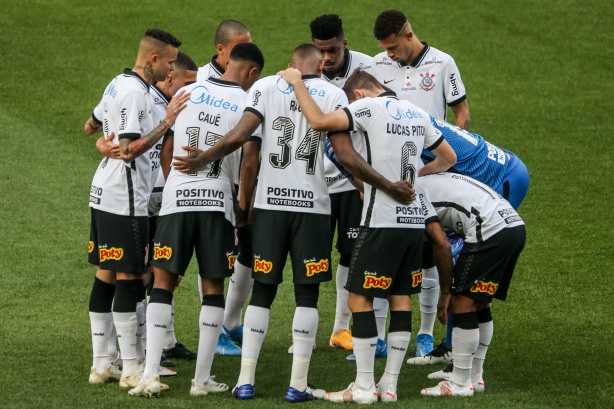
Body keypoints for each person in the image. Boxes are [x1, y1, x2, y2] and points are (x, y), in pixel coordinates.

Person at [173, 44, 353, 402]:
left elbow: (244, 141)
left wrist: (206, 160)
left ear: (291, 65)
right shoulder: (335, 93)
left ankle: (245, 382)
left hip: (269, 208)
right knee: (307, 295)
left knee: (263, 291)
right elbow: (345, 153)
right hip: (314, 209)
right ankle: (297, 385)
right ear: (320, 65)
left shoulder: (266, 86)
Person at [277, 66, 456, 403]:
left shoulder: (368, 107)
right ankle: (389, 386)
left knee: (359, 299)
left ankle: (362, 387)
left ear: (357, 94)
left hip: (381, 221)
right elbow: (449, 157)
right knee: (401, 299)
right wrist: (415, 177)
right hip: (412, 222)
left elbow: (317, 121)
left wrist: (297, 83)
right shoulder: (418, 113)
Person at [128, 42, 265, 398]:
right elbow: (249, 161)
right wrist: (244, 207)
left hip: (176, 199)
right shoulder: (247, 103)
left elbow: (168, 151)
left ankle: (149, 374)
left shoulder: (187, 91)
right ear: (251, 72)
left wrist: (176, 180)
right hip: (217, 202)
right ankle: (201, 380)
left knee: (163, 282)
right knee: (212, 287)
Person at [84, 29, 189, 388]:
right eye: (170, 61)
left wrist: (102, 142)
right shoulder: (136, 93)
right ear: (154, 60)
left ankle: (102, 366)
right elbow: (129, 149)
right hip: (124, 200)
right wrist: (167, 122)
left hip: (103, 193)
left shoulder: (117, 83)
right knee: (129, 278)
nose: (172, 69)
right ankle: (130, 370)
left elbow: (91, 125)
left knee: (107, 274)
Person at [369, 9, 471, 356]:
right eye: (385, 49)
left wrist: (451, 158)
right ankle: (379, 337)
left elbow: (462, 115)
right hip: (390, 172)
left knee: (430, 250)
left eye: (394, 47)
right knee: (388, 251)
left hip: (431, 170)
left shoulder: (443, 63)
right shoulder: (377, 66)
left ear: (409, 35)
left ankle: (426, 333)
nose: (390, 54)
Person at [407, 117, 529, 368]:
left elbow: (447, 160)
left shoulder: (402, 132)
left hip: (503, 177)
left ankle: (461, 359)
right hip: (496, 171)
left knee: (468, 274)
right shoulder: (409, 120)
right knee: (458, 265)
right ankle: (454, 347)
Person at [418, 172, 526, 397]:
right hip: (514, 225)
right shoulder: (428, 179)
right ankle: (475, 378)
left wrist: (445, 293)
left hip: (489, 228)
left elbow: (442, 246)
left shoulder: (412, 196)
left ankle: (458, 384)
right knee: (481, 303)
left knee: (462, 304)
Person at [308, 14, 374, 354]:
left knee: (350, 255)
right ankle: (303, 331)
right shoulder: (306, 71)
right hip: (316, 182)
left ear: (344, 42)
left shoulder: (368, 67)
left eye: (332, 50)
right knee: (312, 258)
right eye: (321, 51)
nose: (327, 58)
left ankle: (340, 329)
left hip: (354, 184)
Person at [197, 19, 257, 357]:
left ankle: (231, 322)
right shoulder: (203, 84)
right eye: (238, 47)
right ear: (221, 50)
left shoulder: (248, 80)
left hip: (242, 183)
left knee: (248, 251)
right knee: (214, 259)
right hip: (212, 185)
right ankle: (216, 328)